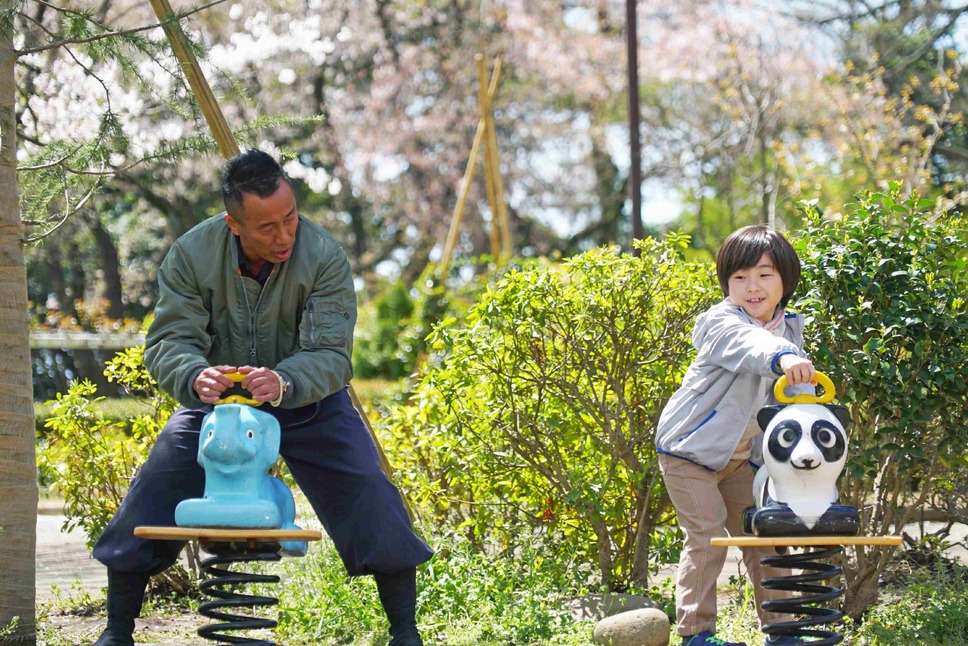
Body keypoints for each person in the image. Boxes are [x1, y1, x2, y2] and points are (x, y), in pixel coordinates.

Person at [91, 148, 434, 646]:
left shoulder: (325, 258)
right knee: (153, 488)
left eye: (290, 217)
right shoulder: (191, 254)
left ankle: (406, 632)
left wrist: (284, 380)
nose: (284, 235)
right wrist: (194, 376)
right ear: (233, 224)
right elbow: (169, 342)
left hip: (309, 404)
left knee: (370, 492)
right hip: (218, 411)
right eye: (267, 227)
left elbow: (332, 354)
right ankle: (116, 631)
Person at [655, 225, 815, 646]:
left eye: (764, 275)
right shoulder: (721, 322)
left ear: (785, 281)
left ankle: (783, 631)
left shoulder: (790, 330)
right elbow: (749, 345)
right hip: (690, 452)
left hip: (743, 457)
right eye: (739, 277)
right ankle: (696, 634)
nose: (752, 287)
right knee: (708, 536)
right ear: (727, 284)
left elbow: (797, 402)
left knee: (767, 533)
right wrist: (782, 357)